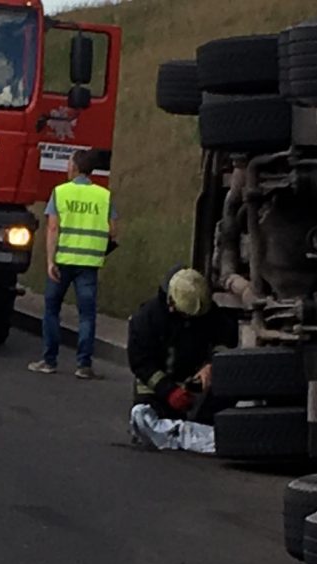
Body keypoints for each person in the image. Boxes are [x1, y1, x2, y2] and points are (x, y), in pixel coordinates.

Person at [28, 150, 117, 379]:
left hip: (62, 261)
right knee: (87, 315)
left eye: (69, 164)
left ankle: (49, 361)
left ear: (75, 167)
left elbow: (53, 228)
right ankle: (84, 365)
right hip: (89, 263)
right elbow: (113, 231)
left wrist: (50, 261)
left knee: (52, 311)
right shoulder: (104, 196)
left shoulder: (60, 192)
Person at [127, 266, 238, 451]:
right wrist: (169, 391)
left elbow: (226, 340)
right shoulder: (146, 319)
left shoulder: (207, 312)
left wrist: (212, 364)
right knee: (147, 421)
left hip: (195, 384)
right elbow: (141, 363)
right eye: (186, 315)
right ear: (172, 304)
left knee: (210, 416)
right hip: (156, 386)